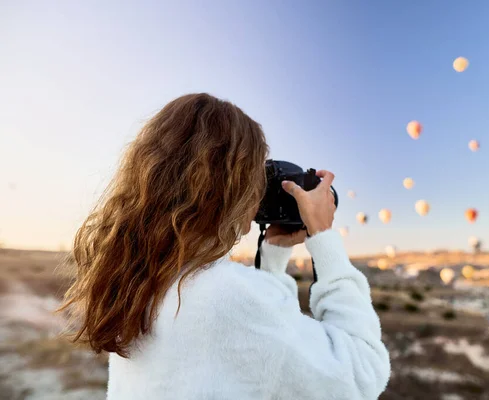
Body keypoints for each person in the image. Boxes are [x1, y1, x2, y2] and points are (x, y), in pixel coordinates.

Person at [60, 93, 390, 399]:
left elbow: (253, 358)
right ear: (228, 187)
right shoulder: (227, 298)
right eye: (253, 178)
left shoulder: (142, 280)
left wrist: (273, 254)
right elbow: (363, 373)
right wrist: (324, 237)